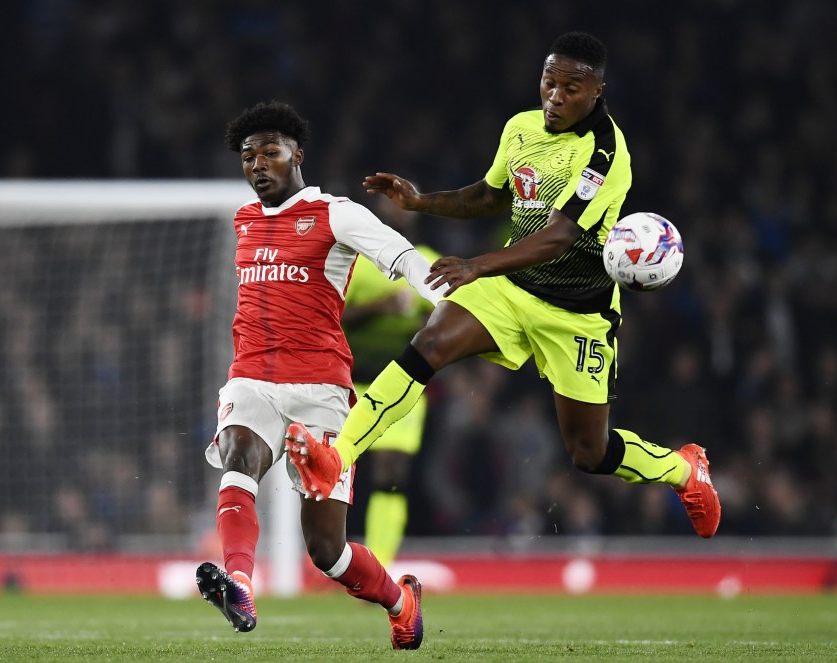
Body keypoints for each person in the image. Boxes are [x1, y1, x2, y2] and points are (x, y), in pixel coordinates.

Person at [286, 32, 721, 540]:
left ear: (597, 91)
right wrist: (421, 201)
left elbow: (558, 237)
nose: (555, 96)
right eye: (549, 82)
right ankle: (336, 459)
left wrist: (476, 265)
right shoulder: (520, 128)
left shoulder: (606, 153)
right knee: (430, 344)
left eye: (570, 89)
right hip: (511, 289)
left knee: (589, 452)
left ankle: (685, 471)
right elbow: (492, 195)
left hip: (576, 313)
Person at [195, 100, 431, 650]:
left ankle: (401, 602)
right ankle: (240, 583)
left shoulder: (337, 213)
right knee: (237, 457)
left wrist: (461, 301)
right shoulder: (243, 219)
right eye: (248, 156)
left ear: (297, 154)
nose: (257, 164)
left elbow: (402, 259)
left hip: (321, 390)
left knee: (327, 549)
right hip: (251, 375)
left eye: (270, 152)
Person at [342, 224, 440, 568]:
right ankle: (327, 555)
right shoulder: (356, 263)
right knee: (335, 468)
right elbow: (332, 317)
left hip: (403, 386)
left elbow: (452, 316)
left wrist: (429, 313)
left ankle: (380, 562)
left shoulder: (428, 263)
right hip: (352, 383)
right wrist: (378, 307)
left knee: (393, 471)